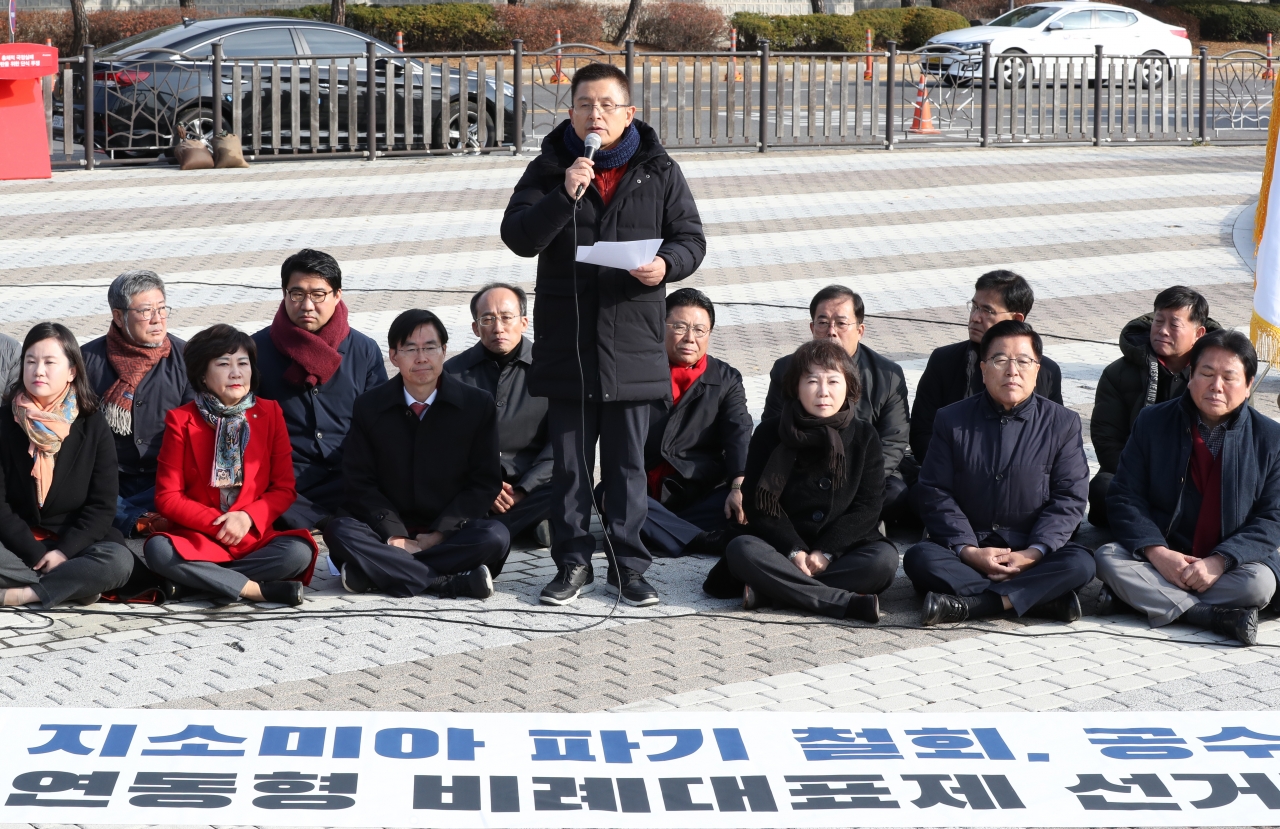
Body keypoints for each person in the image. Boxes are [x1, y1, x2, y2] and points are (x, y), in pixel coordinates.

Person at [501, 61, 705, 607]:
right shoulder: (551, 167)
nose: (597, 114)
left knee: (625, 466)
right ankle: (571, 564)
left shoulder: (658, 169)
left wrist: (666, 265)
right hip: (569, 340)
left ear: (629, 112)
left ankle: (628, 567)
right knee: (569, 468)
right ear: (571, 111)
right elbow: (518, 237)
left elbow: (691, 239)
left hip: (634, 342)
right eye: (586, 105)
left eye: (607, 105)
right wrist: (562, 195)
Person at [904, 320, 1094, 626]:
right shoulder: (951, 420)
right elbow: (935, 491)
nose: (1012, 370)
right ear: (983, 368)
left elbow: (1070, 497)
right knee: (920, 559)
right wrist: (968, 551)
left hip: (1031, 552)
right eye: (1000, 360)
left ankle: (975, 605)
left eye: (1023, 361)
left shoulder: (1063, 423)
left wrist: (1033, 553)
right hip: (971, 550)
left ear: (1037, 368)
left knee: (1081, 563)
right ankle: (1041, 600)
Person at [1097, 330, 1280, 646]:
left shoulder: (1270, 438)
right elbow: (1125, 496)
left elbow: (1273, 518)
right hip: (1165, 551)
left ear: (1249, 385)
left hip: (1232, 565)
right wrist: (1158, 554)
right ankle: (1210, 616)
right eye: (1206, 373)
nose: (1216, 386)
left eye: (1229, 377)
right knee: (1105, 558)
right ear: (1191, 376)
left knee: (1259, 585)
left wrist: (1219, 560)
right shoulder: (1153, 421)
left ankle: (1141, 597)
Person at [323, 310, 510, 600]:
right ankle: (445, 581)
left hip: (449, 529)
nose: (421, 358)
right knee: (340, 532)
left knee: (496, 537)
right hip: (387, 529)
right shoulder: (369, 406)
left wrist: (439, 535)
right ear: (394, 356)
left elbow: (484, 482)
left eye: (430, 348)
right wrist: (395, 536)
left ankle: (376, 572)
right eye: (410, 349)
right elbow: (359, 481)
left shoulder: (476, 404)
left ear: (444, 351)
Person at [144, 325, 317, 607]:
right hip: (201, 536)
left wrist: (246, 518)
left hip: (251, 536)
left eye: (243, 363)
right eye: (223, 364)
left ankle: (195, 583)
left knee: (298, 553)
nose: (236, 373)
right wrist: (219, 526)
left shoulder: (270, 412)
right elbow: (167, 497)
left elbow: (284, 488)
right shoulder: (181, 420)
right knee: (158, 550)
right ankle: (252, 590)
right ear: (203, 374)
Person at [725, 340, 895, 621]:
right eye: (812, 381)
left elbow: (868, 507)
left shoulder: (865, 436)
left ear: (849, 387)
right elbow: (757, 502)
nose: (823, 392)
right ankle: (844, 603)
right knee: (742, 549)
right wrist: (794, 551)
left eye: (833, 381)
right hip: (781, 549)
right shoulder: (770, 433)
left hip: (841, 551)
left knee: (883, 563)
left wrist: (826, 552)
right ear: (796, 387)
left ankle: (771, 591)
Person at [252, 249, 387, 531]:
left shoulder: (363, 350)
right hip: (289, 481)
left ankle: (344, 532)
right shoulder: (255, 351)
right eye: (297, 294)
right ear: (284, 293)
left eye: (318, 294)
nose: (307, 305)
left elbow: (382, 421)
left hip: (348, 475)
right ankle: (335, 527)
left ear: (337, 295)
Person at [0, 323, 133, 607]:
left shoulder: (92, 422)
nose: (38, 371)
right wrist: (36, 555)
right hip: (17, 543)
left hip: (73, 542)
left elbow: (102, 505)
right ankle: (74, 586)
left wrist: (62, 554)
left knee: (118, 562)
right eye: (31, 361)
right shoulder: (3, 422)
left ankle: (26, 593)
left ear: (72, 371)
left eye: (50, 362)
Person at [762, 286, 911, 523]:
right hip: (802, 467)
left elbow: (893, 441)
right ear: (812, 328)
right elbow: (772, 428)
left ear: (860, 330)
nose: (831, 332)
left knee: (897, 495)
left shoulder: (888, 375)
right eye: (822, 322)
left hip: (863, 472)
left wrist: (850, 482)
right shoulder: (786, 369)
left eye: (841, 323)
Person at [1088, 287, 1217, 527]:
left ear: (1199, 333)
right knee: (1103, 487)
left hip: (1197, 480)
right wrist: (1148, 480)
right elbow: (1106, 440)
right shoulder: (1117, 373)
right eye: (1158, 321)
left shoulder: (1220, 377)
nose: (1162, 331)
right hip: (1137, 477)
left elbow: (1238, 436)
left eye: (1174, 324)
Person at [82, 270, 194, 538]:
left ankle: (126, 517)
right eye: (145, 311)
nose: (157, 319)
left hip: (165, 476)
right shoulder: (85, 361)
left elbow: (197, 423)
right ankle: (141, 518)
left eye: (162, 308)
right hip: (109, 477)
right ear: (118, 316)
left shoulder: (187, 356)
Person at [910, 270, 1063, 466]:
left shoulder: (1046, 371)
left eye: (987, 311)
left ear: (1016, 319)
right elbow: (922, 432)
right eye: (974, 307)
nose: (975, 317)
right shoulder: (944, 360)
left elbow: (1054, 438)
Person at [641, 288, 752, 556]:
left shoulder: (726, 378)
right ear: (660, 326)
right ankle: (699, 540)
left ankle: (660, 532)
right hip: (643, 489)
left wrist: (739, 484)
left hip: (698, 489)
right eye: (679, 327)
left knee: (742, 505)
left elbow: (739, 433)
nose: (690, 338)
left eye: (700, 330)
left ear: (709, 334)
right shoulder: (638, 372)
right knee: (615, 498)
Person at [444, 283, 553, 547]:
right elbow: (445, 442)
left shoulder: (551, 370)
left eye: (506, 317)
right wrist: (485, 487)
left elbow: (562, 444)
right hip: (475, 485)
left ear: (524, 322)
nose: (498, 327)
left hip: (534, 485)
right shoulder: (453, 373)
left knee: (572, 486)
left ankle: (487, 531)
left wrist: (524, 490)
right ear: (475, 327)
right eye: (488, 319)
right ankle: (528, 524)